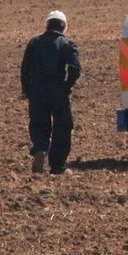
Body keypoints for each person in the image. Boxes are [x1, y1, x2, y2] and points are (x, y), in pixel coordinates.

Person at [20, 10, 82, 175]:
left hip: (37, 90)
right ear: (64, 27)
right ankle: (58, 165)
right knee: (63, 126)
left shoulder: (34, 43)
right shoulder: (67, 44)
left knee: (39, 123)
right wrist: (67, 86)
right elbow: (75, 68)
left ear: (47, 25)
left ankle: (40, 148)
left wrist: (27, 90)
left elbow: (25, 69)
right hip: (58, 91)